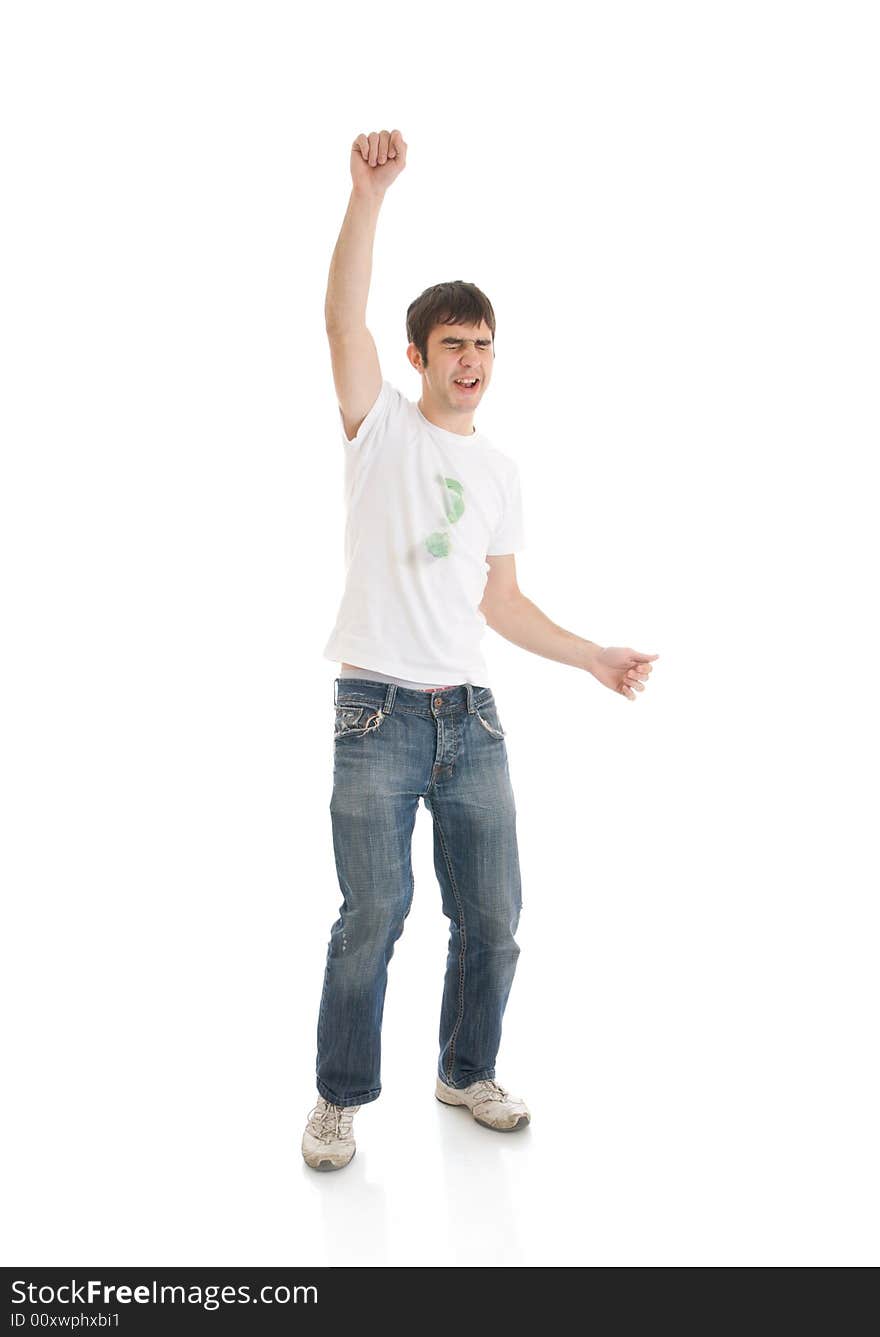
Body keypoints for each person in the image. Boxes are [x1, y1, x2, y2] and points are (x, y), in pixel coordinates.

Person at [302, 129, 659, 1171]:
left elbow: (500, 601)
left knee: (494, 916)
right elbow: (339, 318)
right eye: (453, 344)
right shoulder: (380, 431)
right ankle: (338, 1099)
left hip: (472, 717)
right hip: (375, 711)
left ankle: (465, 1068)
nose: (470, 362)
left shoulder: (501, 471)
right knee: (372, 913)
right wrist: (367, 196)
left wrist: (591, 653)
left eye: (484, 345)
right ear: (419, 357)